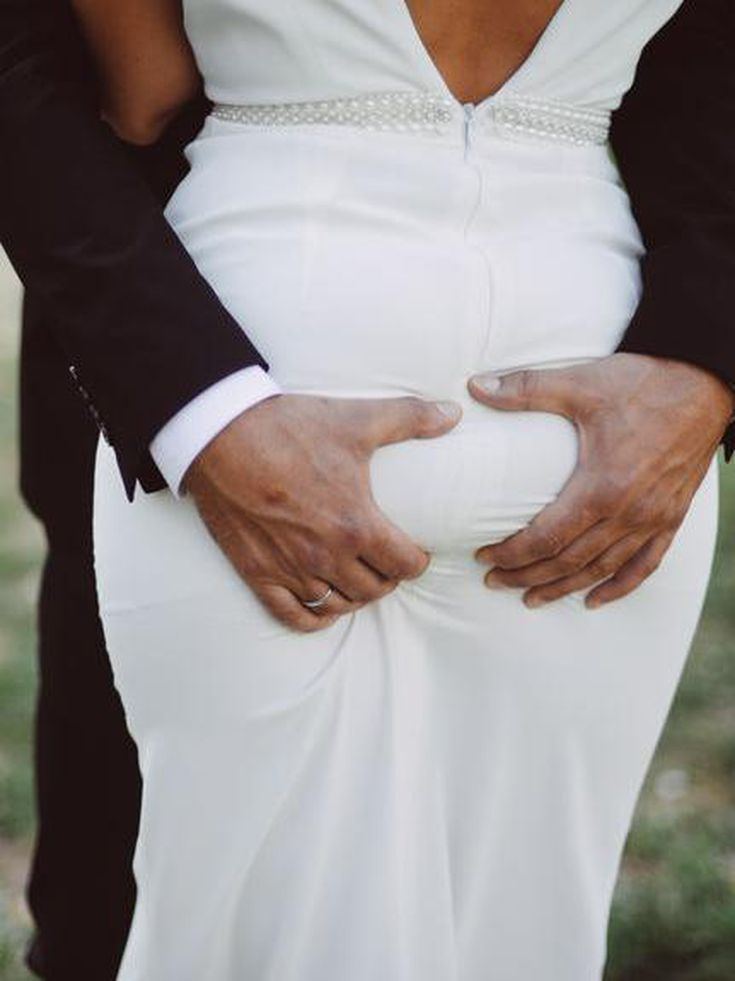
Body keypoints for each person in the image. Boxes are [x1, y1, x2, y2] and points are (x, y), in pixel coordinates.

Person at [0, 0, 732, 979]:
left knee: (223, 931)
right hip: (577, 349)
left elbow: (143, 99)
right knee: (526, 931)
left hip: (272, 332)